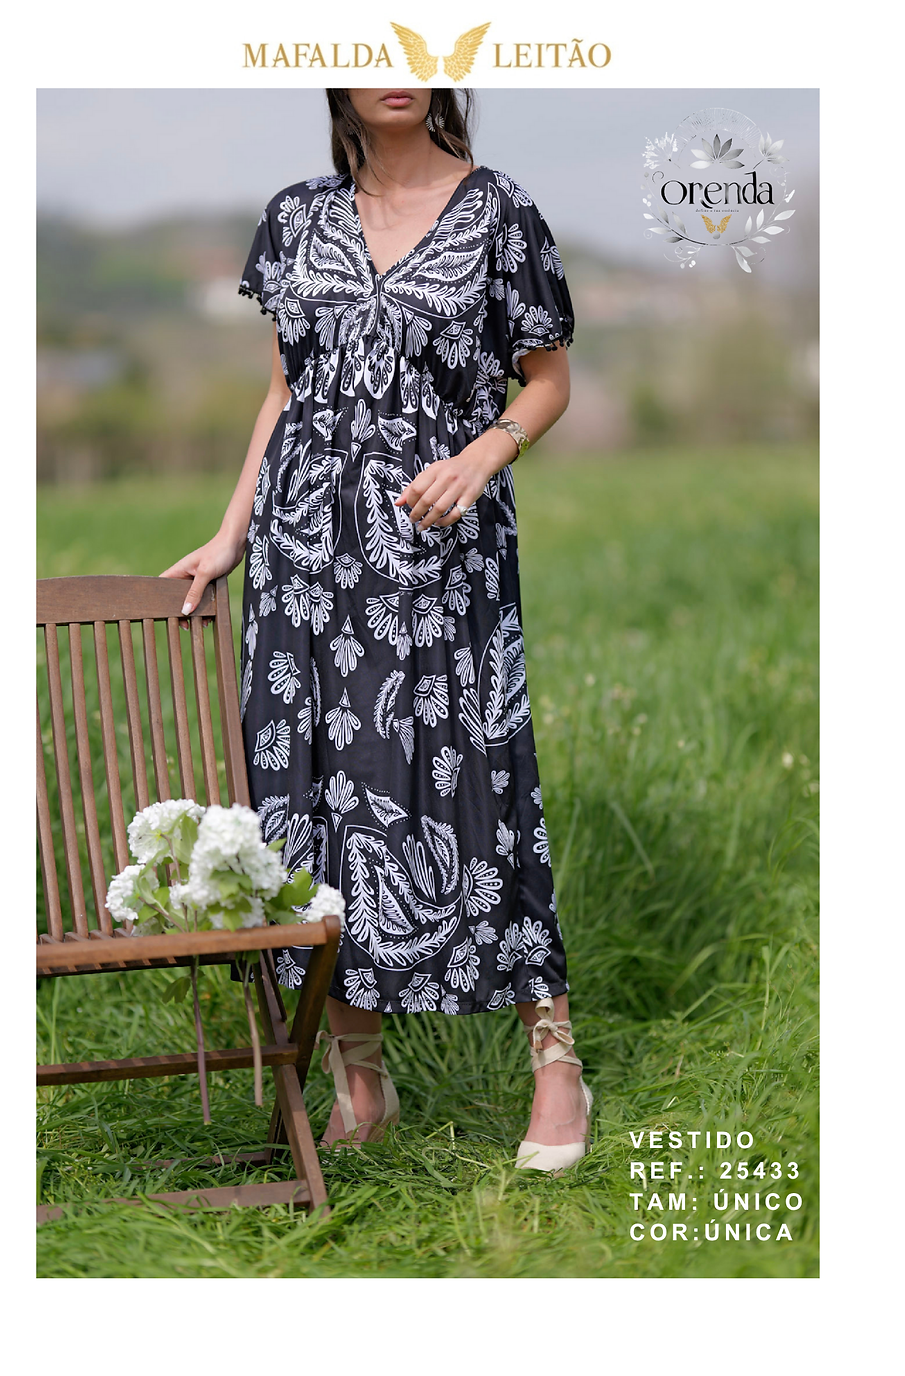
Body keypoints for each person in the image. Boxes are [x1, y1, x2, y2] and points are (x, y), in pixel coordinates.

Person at [162, 87, 592, 1172]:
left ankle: (555, 1063)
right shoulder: (294, 216)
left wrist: (483, 454)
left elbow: (546, 381)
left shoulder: (500, 211)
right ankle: (360, 1078)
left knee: (480, 777)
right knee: (315, 797)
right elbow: (283, 394)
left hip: (441, 545)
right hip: (303, 556)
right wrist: (230, 533)